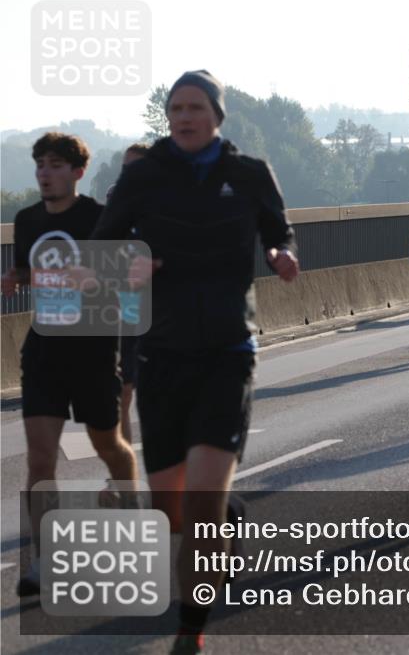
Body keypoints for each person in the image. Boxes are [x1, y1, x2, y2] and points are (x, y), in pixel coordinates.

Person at [91, 70, 300, 655]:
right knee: (172, 513)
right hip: (160, 357)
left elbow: (280, 231)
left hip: (228, 353)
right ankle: (226, 519)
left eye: (194, 107)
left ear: (216, 115)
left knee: (201, 502)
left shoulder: (249, 174)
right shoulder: (144, 176)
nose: (183, 116)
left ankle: (191, 626)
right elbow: (101, 250)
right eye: (175, 107)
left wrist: (283, 254)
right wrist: (125, 266)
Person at [1, 132, 139, 598]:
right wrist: (14, 278)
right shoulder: (26, 220)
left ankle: (132, 509)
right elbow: (27, 268)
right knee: (40, 457)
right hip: (44, 349)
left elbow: (130, 277)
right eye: (40, 163)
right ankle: (43, 560)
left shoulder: (101, 219)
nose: (45, 172)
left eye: (56, 164)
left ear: (78, 172)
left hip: (94, 349)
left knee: (109, 443)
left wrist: (97, 277)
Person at [106, 142, 150, 446]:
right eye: (125, 167)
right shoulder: (113, 201)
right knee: (123, 393)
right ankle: (122, 478)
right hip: (124, 312)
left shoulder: (165, 210)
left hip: (161, 315)